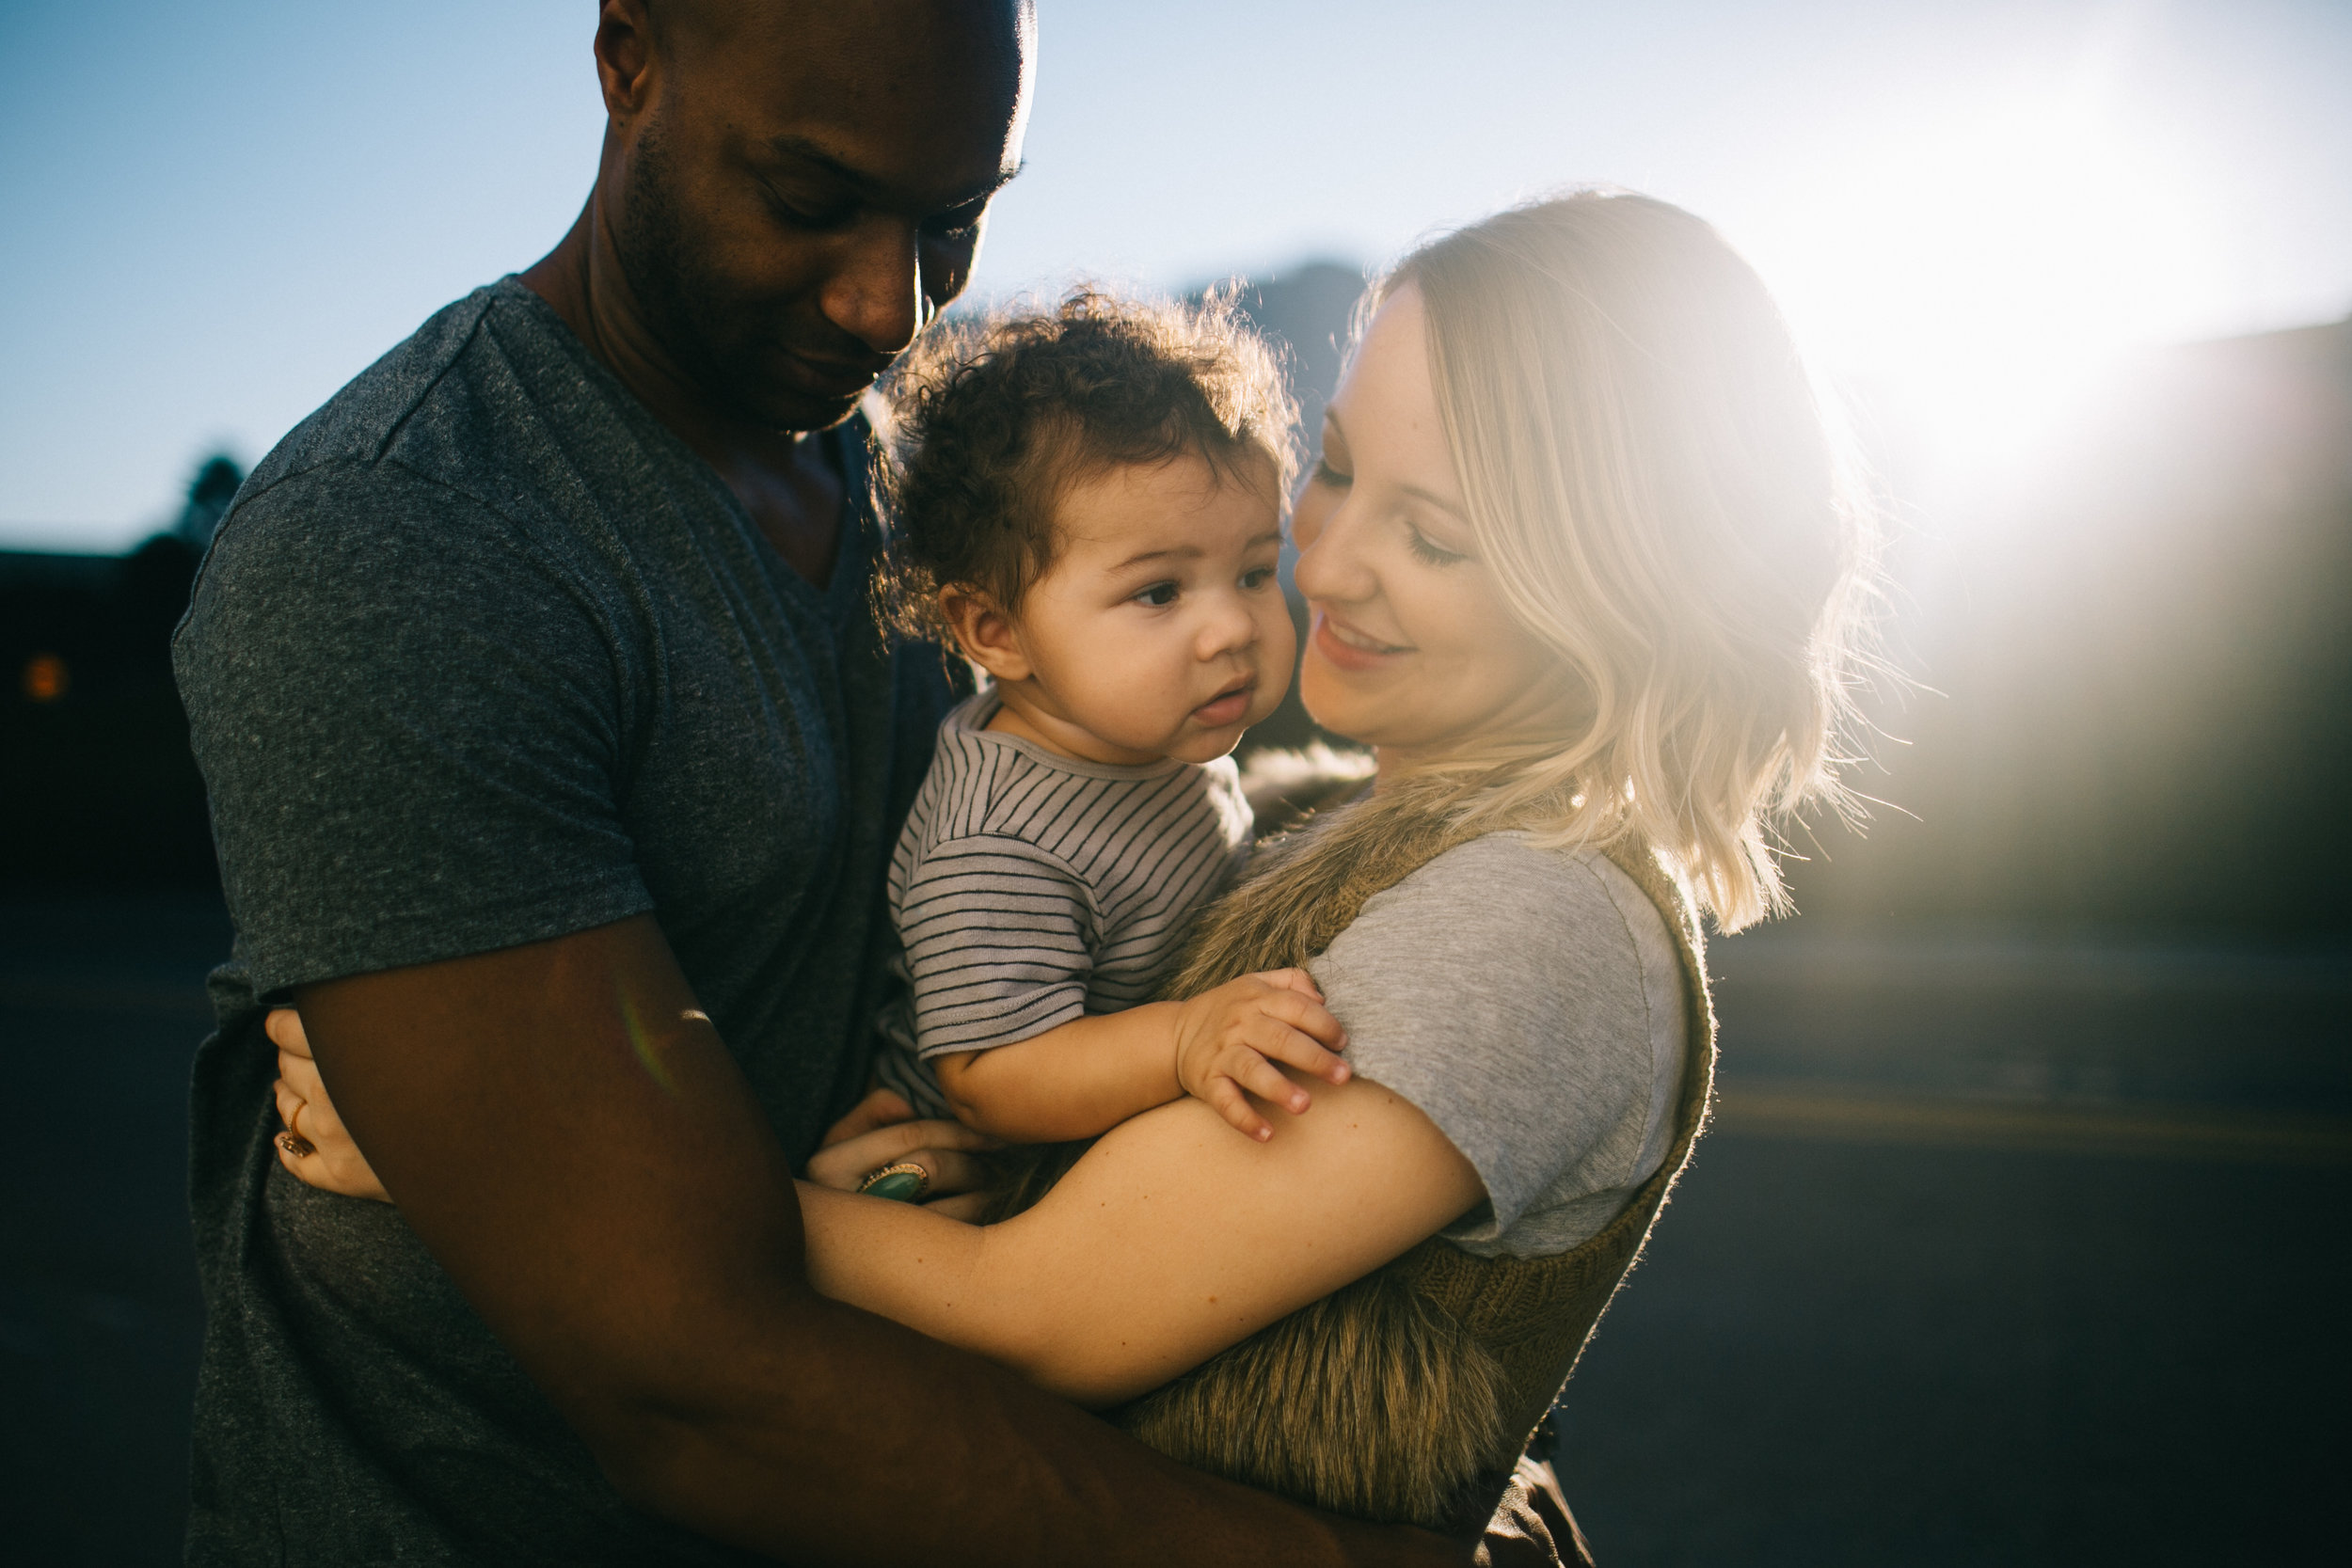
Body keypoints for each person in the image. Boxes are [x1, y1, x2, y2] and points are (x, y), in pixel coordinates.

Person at [270, 189, 1876, 1551]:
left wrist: (491, 1144)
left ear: (1627, 586)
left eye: (1437, 536)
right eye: (1335, 473)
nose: (1329, 563)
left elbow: (1040, 1309)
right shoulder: (1290, 811)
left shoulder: (1534, 921)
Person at [173, 1, 1488, 1563]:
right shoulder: (408, 543)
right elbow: (684, 1376)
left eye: (953, 222)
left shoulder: (944, 500)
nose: (887, 302)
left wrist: (939, 1161)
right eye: (808, 201)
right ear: (627, 57)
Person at [865, 289, 1357, 1144]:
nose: (1234, 626)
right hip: (983, 1171)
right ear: (998, 631)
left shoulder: (1144, 724)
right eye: (1159, 591)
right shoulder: (996, 842)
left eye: (1251, 571)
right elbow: (993, 1078)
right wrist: (1180, 1039)